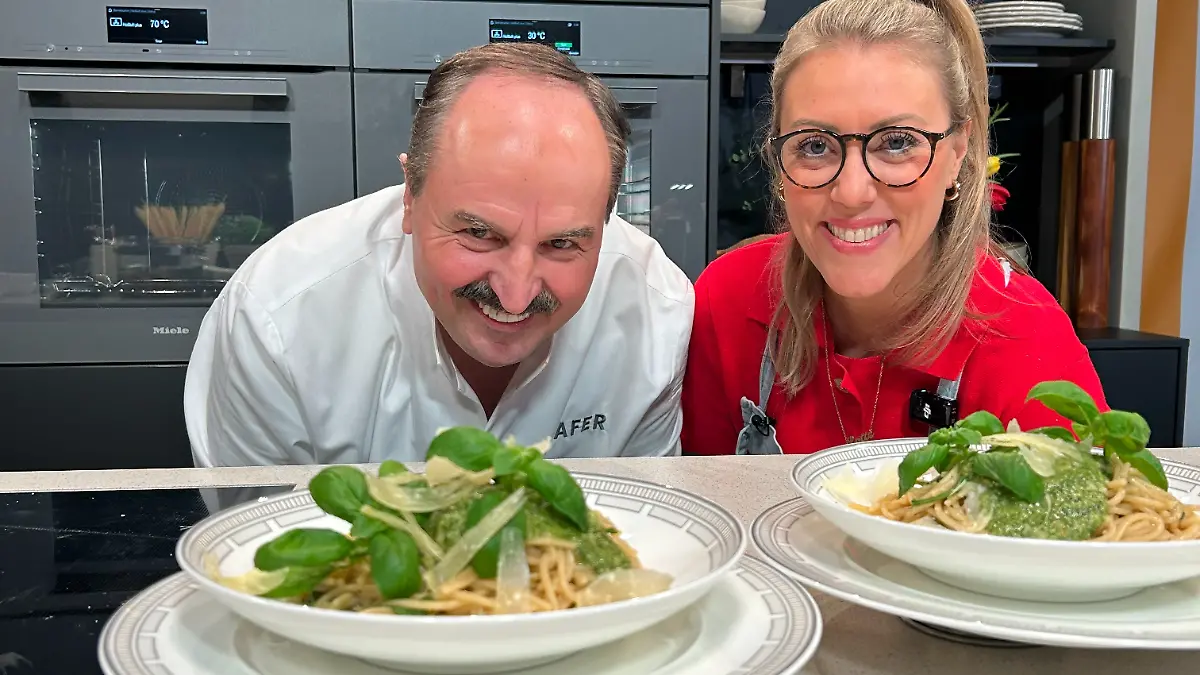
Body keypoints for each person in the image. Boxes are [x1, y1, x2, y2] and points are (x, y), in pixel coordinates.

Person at [184, 43, 694, 467]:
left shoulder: (657, 315)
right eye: (478, 233)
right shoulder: (276, 319)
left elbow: (644, 533)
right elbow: (260, 543)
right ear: (410, 196)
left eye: (561, 244)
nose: (515, 297)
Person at [681, 0, 1107, 456]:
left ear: (957, 154)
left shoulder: (1028, 346)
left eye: (898, 143)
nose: (852, 193)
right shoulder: (728, 303)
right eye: (814, 146)